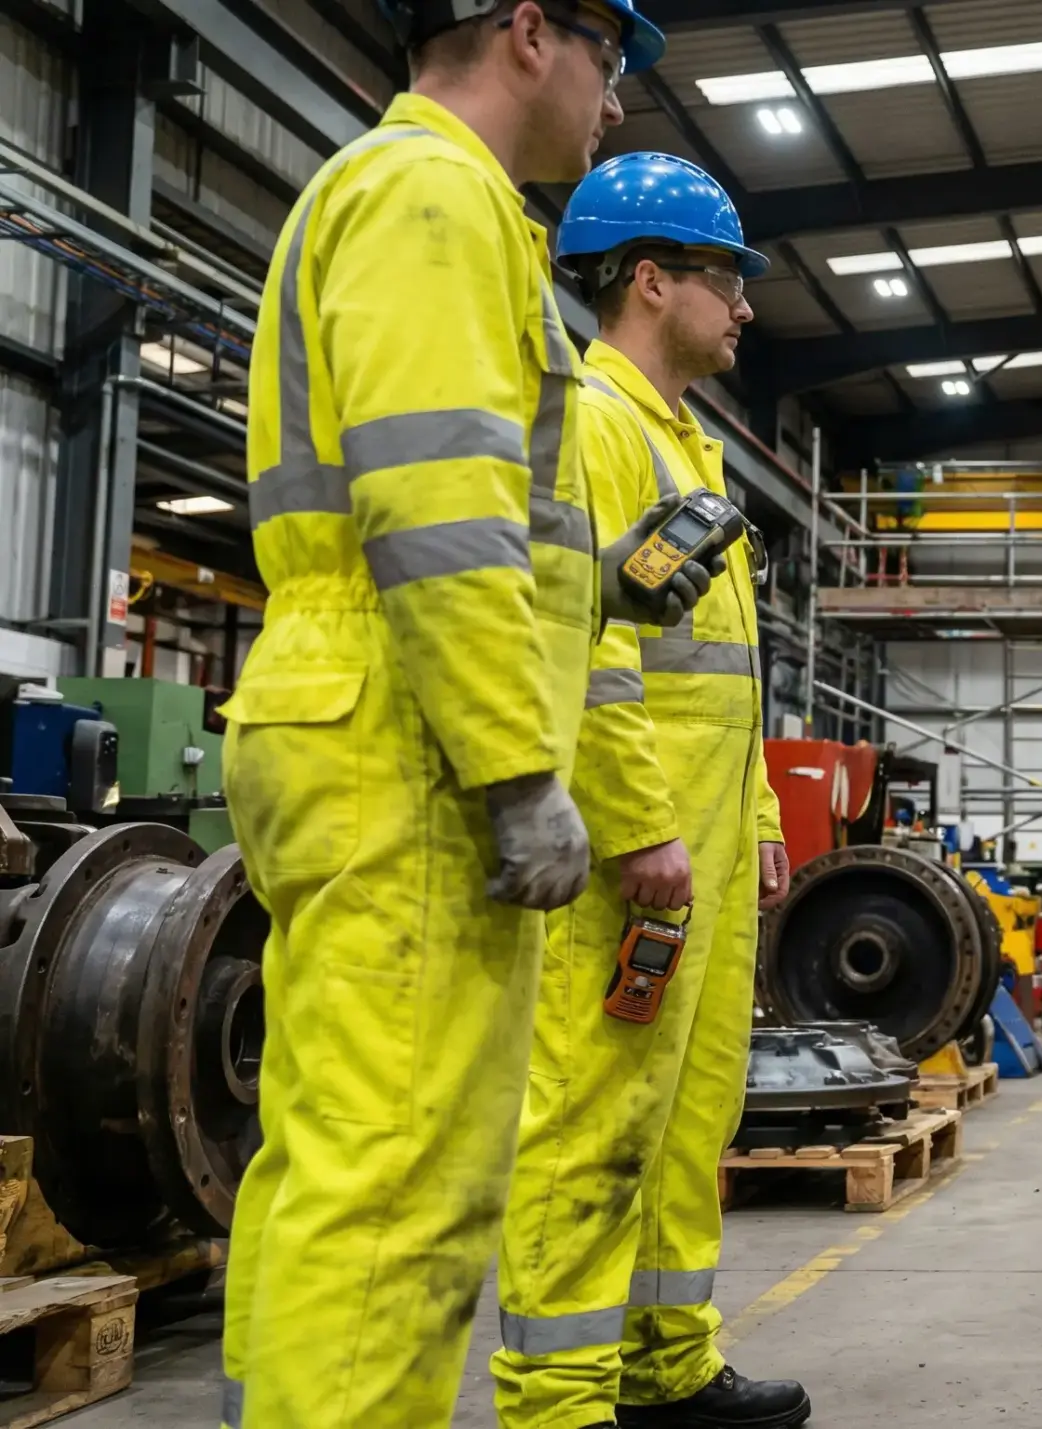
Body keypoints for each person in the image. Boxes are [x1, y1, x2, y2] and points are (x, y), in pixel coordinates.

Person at [221, 3, 719, 1424]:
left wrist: (604, 599)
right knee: (402, 1187)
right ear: (524, 31)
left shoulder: (415, 196)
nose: (615, 103)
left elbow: (472, 515)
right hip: (407, 740)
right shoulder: (437, 195)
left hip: (364, 703)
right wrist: (516, 769)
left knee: (332, 1155)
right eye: (609, 61)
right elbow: (433, 507)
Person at [491, 151, 802, 1429]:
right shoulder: (597, 422)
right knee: (593, 1107)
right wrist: (636, 827)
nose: (743, 306)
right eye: (724, 279)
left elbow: (726, 669)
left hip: (711, 842)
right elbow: (589, 649)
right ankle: (560, 1395)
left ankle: (663, 1361)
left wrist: (769, 818)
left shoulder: (690, 444)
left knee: (688, 1107)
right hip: (650, 846)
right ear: (650, 280)